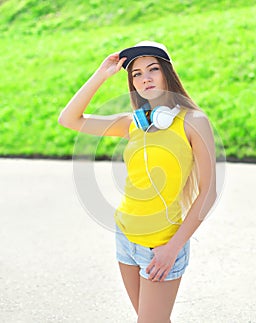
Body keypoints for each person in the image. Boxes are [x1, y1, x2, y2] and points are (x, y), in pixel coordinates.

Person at [58, 40, 217, 323]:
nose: (145, 78)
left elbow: (208, 192)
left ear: (168, 74)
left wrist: (173, 249)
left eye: (153, 69)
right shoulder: (132, 123)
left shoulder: (193, 121)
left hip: (162, 245)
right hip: (126, 239)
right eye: (137, 74)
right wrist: (101, 75)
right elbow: (69, 119)